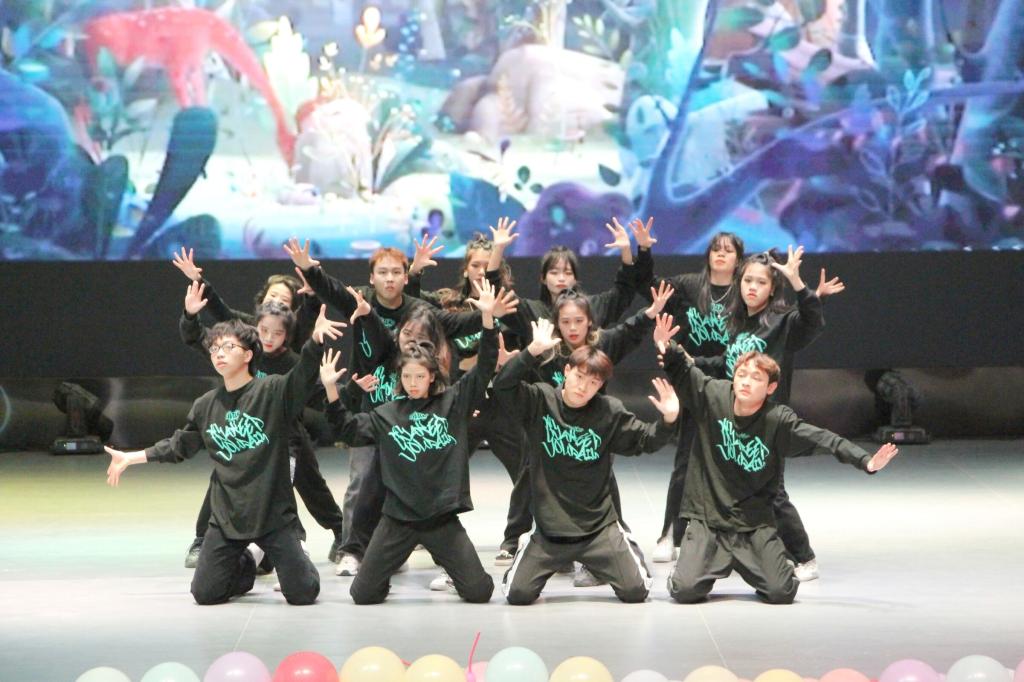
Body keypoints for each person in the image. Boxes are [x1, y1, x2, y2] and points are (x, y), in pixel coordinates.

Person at [104, 296, 347, 605]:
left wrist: (314, 342)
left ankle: (292, 559)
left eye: (228, 347)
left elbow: (302, 376)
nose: (219, 353)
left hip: (273, 516)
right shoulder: (206, 405)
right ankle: (247, 562)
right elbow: (180, 445)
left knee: (302, 593)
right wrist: (132, 457)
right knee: (205, 593)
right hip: (227, 519)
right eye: (215, 348)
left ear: (248, 355)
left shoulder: (272, 391)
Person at [655, 316, 897, 604]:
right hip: (708, 520)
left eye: (756, 378)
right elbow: (684, 371)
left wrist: (865, 461)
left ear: (771, 388)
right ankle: (690, 567)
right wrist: (668, 346)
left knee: (781, 592)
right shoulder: (713, 395)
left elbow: (823, 438)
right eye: (742, 374)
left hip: (753, 523)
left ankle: (767, 560)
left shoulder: (777, 419)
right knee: (685, 590)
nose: (746, 382)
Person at [320, 279, 503, 604]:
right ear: (400, 377)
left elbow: (485, 366)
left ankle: (453, 569)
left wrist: (487, 320)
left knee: (479, 592)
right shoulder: (387, 413)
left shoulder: (453, 402)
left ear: (432, 376)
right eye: (407, 377)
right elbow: (348, 430)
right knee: (363, 594)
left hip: (441, 519)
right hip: (397, 520)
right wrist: (333, 392)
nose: (414, 382)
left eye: (420, 376)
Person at [493, 318, 680, 605]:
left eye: (594, 383)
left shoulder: (608, 411)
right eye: (579, 377)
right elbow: (503, 386)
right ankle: (528, 547)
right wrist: (531, 352)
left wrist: (668, 419)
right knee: (518, 594)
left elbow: (645, 440)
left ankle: (621, 542)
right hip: (550, 531)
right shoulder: (540, 400)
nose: (583, 387)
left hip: (598, 529)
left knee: (635, 591)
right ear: (566, 371)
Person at [179, 295, 346, 569]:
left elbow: (318, 392)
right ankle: (202, 540)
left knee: (309, 486)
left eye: (277, 333)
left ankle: (337, 533)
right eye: (264, 330)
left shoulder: (293, 362)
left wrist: (350, 395)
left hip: (287, 438)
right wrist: (189, 315)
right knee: (223, 479)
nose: (269, 338)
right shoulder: (242, 354)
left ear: (287, 336)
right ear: (254, 327)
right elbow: (198, 337)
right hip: (245, 437)